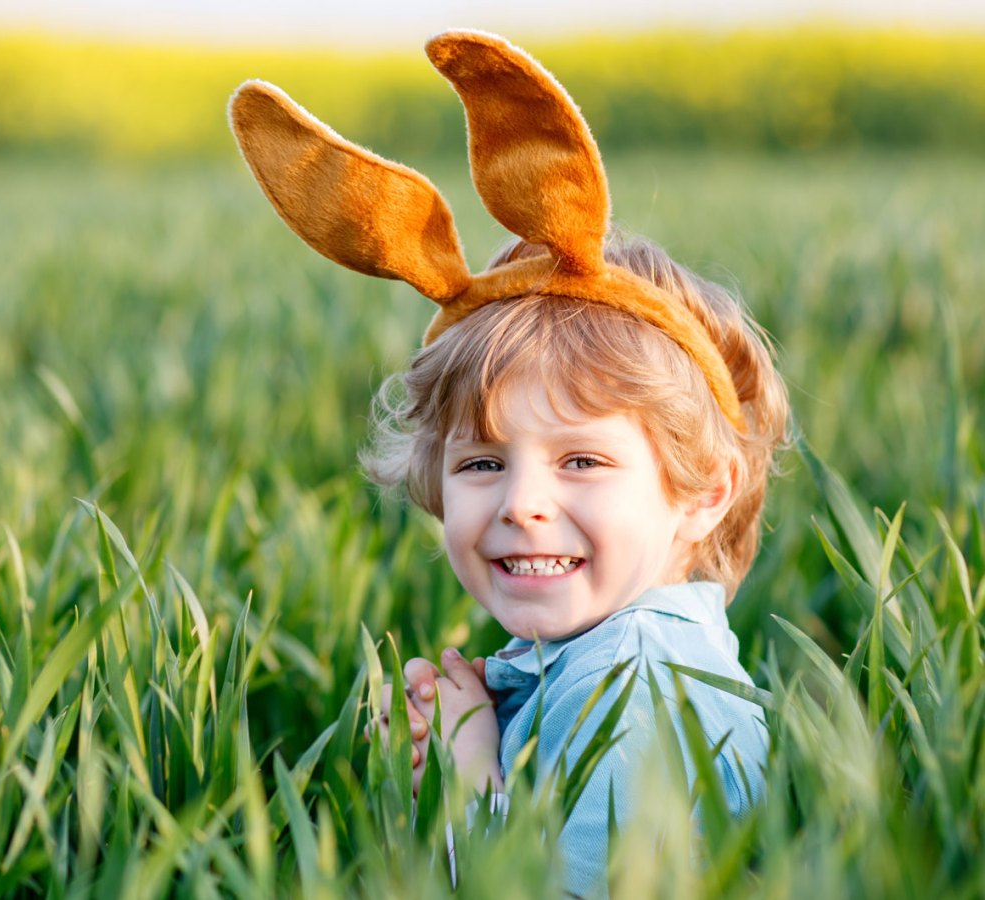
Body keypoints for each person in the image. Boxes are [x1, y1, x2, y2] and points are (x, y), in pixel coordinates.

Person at [229, 28, 790, 897]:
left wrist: (466, 779)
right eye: (483, 464)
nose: (525, 502)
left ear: (703, 493)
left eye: (583, 462)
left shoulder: (641, 699)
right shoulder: (600, 659)